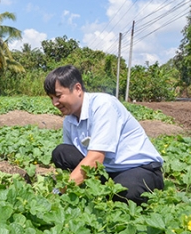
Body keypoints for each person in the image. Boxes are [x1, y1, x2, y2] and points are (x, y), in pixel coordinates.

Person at [44, 64, 164, 205]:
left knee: (125, 192)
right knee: (61, 153)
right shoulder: (69, 120)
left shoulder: (103, 105)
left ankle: (106, 191)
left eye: (58, 96)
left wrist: (60, 192)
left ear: (77, 89)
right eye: (51, 98)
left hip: (138, 168)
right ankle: (98, 191)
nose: (55, 103)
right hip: (107, 171)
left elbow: (95, 159)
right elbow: (78, 158)